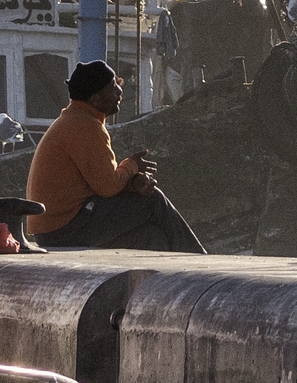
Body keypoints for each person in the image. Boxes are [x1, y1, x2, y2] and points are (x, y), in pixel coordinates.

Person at [23, 59, 206, 252]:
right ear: (94, 98)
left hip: (53, 230)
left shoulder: (73, 120)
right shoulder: (85, 127)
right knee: (152, 200)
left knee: (151, 236)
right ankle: (200, 260)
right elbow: (108, 187)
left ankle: (164, 277)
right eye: (112, 87)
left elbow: (98, 182)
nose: (119, 91)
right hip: (65, 228)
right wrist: (131, 166)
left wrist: (132, 182)